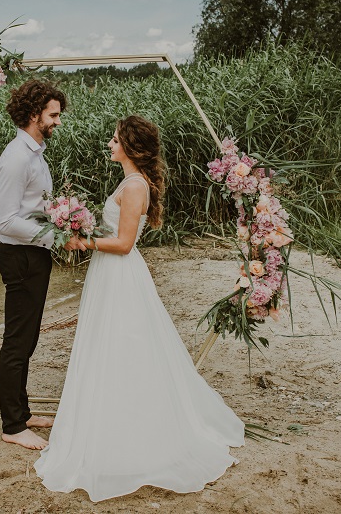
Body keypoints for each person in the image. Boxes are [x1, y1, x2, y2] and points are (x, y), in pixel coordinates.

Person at [33, 115, 245, 501]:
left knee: (124, 347)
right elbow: (115, 235)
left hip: (119, 272)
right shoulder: (129, 182)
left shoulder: (134, 186)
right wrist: (84, 231)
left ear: (130, 147)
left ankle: (132, 431)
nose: (110, 143)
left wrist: (84, 243)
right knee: (112, 346)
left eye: (115, 139)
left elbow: (126, 243)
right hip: (109, 274)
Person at [0, 79, 85, 450]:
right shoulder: (16, 158)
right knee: (17, 341)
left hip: (34, 254)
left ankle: (23, 411)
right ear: (34, 115)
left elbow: (34, 208)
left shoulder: (35, 154)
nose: (58, 121)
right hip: (21, 256)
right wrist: (56, 237)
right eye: (53, 115)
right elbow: (6, 221)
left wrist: (66, 218)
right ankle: (13, 426)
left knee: (28, 338)